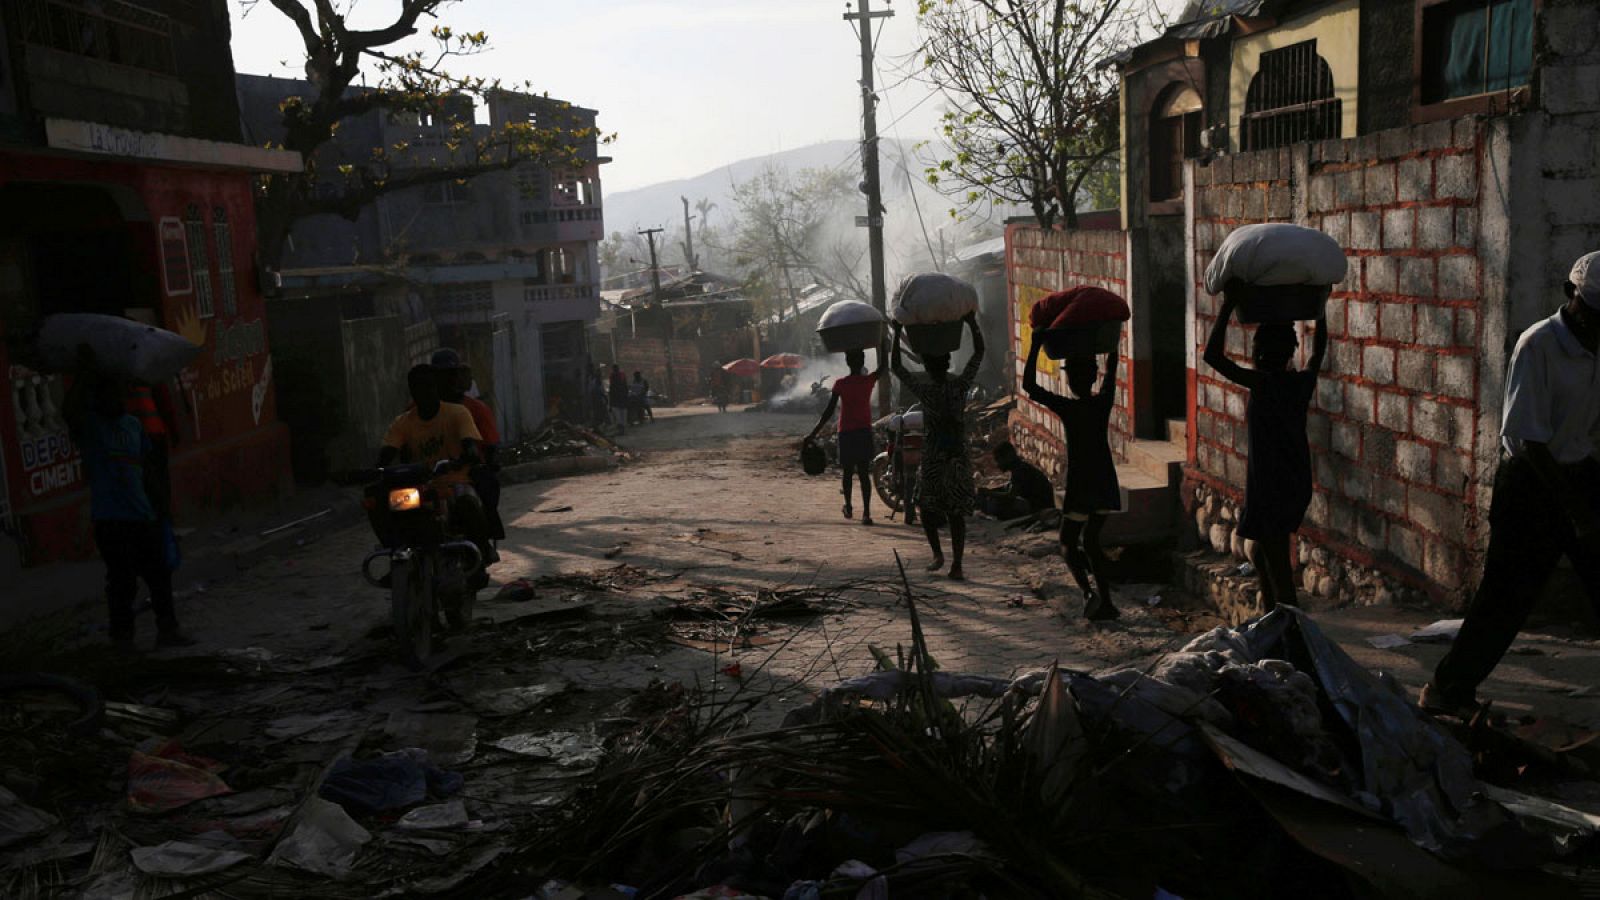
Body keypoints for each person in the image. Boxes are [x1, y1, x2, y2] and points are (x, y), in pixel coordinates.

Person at [1421, 252, 1600, 718]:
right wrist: (1576, 512)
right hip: (1533, 483)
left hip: (1579, 471)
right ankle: (1447, 688)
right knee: (1506, 600)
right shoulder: (1538, 344)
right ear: (1571, 296)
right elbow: (1527, 439)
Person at [1203, 295, 1328, 612]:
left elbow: (1212, 356)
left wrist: (1229, 305)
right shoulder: (1300, 382)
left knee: (1278, 569)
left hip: (1271, 488)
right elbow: (1317, 353)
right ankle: (1272, 621)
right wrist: (1319, 309)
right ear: (1291, 352)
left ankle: (1291, 635)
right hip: (1292, 483)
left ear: (1259, 353)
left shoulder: (1263, 382)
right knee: (1260, 553)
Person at [66, 350, 195, 650]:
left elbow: (147, 472)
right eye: (111, 391)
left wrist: (160, 510)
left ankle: (168, 630)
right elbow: (69, 410)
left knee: (159, 576)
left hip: (143, 516)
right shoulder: (92, 428)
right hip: (112, 519)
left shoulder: (134, 426)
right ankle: (123, 639)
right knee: (122, 583)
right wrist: (84, 375)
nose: (118, 397)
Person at [1024, 333, 1123, 620]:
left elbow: (1029, 385)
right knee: (1092, 541)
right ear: (1094, 377)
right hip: (1105, 482)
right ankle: (1106, 602)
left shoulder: (1069, 408)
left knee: (1067, 542)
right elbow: (1112, 371)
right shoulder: (1102, 402)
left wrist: (1034, 345)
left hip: (1081, 485)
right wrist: (1112, 344)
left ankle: (1087, 592)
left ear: (1069, 380)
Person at [380, 364, 495, 588]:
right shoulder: (402, 422)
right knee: (386, 506)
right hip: (420, 488)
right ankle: (396, 557)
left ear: (436, 388)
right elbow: (387, 453)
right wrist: (374, 470)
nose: (423, 393)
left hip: (455, 481)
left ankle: (478, 559)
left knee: (467, 502)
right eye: (417, 389)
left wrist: (461, 460)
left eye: (427, 387)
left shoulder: (457, 413)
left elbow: (470, 446)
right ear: (411, 392)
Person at [891, 313, 984, 579]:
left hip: (933, 457)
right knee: (956, 514)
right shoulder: (959, 387)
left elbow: (897, 367)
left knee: (926, 507)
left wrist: (897, 332)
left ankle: (937, 554)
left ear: (929, 368)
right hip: (956, 457)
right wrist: (971, 322)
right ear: (946, 364)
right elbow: (979, 353)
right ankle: (956, 564)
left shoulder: (927, 392)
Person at [806, 341, 888, 525]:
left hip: (846, 434)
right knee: (864, 474)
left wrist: (814, 432)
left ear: (847, 362)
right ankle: (867, 514)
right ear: (863, 361)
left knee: (848, 473)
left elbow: (828, 412)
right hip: (864, 432)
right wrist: (883, 344)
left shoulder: (840, 384)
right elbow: (883, 367)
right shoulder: (868, 381)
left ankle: (849, 507)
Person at [430, 349, 505, 542]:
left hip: (466, 475)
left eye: (451, 374)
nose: (446, 380)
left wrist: (487, 464)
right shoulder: (415, 410)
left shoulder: (476, 409)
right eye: (440, 375)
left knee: (481, 493)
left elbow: (490, 446)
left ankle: (484, 540)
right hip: (428, 477)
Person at [981, 441, 1057, 522]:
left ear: (1008, 457)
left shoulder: (1020, 470)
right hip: (1041, 507)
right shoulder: (1020, 467)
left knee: (998, 505)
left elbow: (1011, 495)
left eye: (998, 459)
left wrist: (989, 493)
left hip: (1042, 511)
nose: (997, 464)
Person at [609, 364, 630, 434]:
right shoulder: (614, 376)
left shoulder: (619, 376)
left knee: (621, 415)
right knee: (620, 415)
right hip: (618, 399)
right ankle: (622, 429)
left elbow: (625, 386)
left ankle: (622, 429)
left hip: (620, 398)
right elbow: (611, 388)